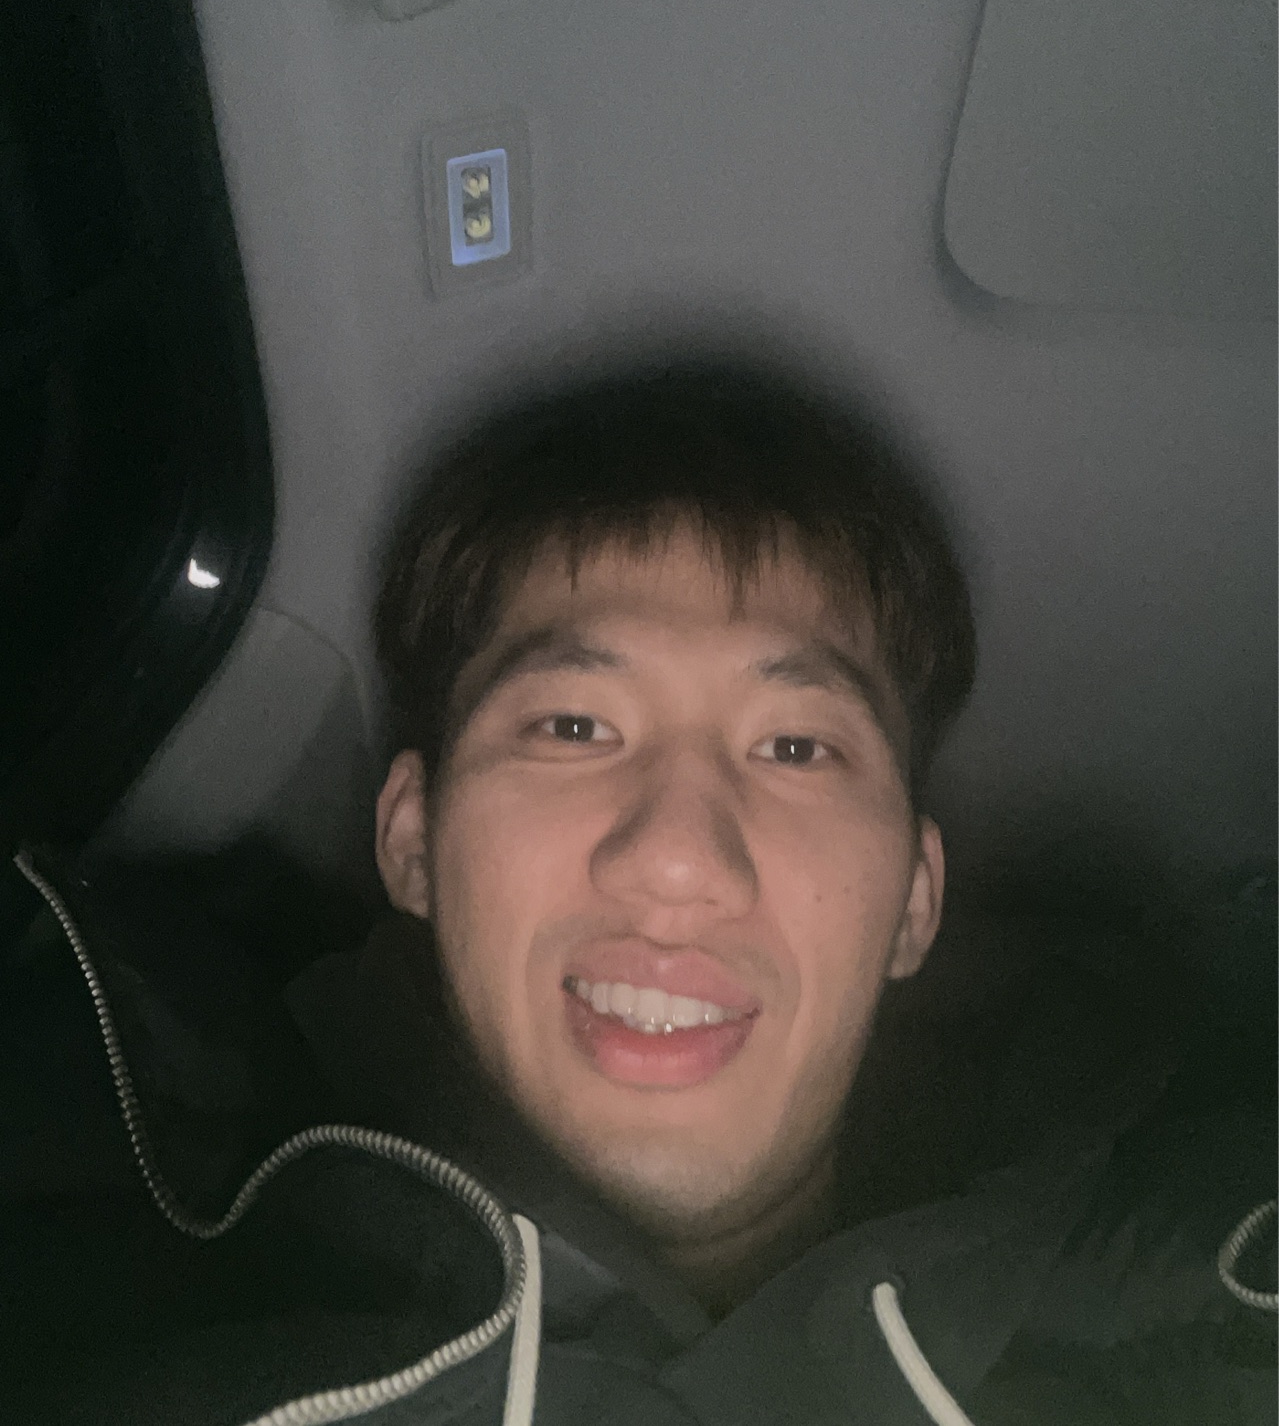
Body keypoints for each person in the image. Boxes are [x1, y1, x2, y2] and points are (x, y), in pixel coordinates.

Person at [4, 362, 1275, 1424]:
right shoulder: (100, 1237)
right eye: (571, 724)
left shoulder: (1213, 1298)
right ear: (411, 839)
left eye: (796, 746)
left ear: (913, 902)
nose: (678, 860)